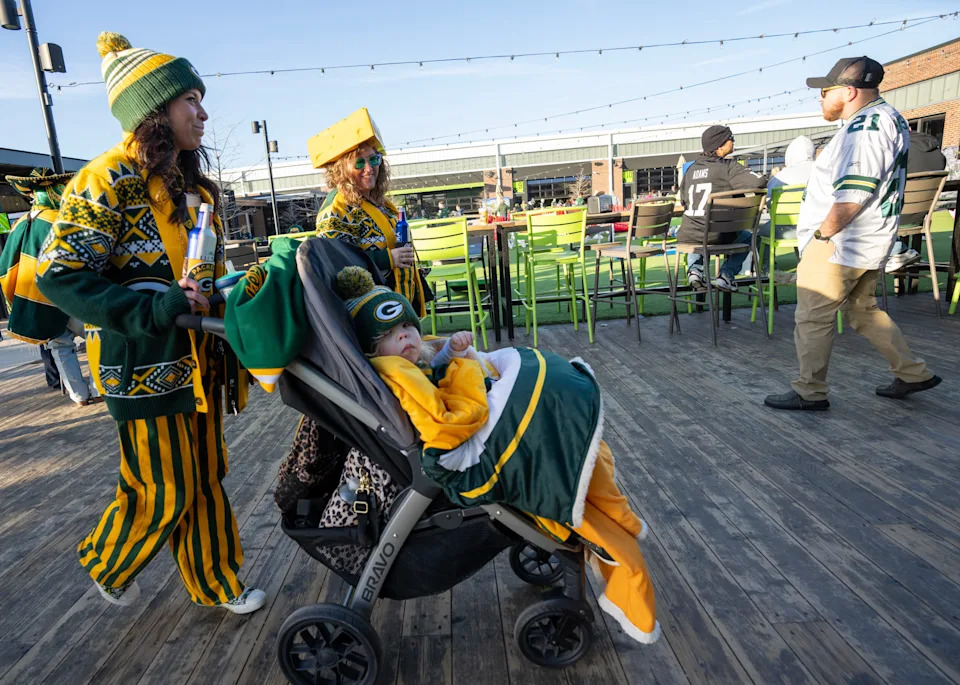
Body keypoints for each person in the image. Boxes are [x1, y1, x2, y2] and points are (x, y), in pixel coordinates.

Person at [37, 32, 265, 612]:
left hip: (201, 364)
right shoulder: (104, 180)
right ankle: (108, 561)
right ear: (154, 112)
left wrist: (232, 291)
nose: (204, 112)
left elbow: (200, 276)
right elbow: (59, 276)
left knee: (207, 477)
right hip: (141, 364)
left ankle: (217, 583)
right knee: (163, 487)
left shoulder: (195, 189)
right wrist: (154, 309)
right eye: (191, 98)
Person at [335, 265, 661, 645]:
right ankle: (612, 519)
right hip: (469, 446)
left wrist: (454, 352)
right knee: (554, 427)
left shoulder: (415, 359)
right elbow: (446, 420)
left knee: (560, 428)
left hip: (476, 405)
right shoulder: (395, 372)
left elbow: (437, 366)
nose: (404, 336)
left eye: (406, 327)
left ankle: (606, 505)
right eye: (389, 336)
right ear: (373, 350)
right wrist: (465, 368)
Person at [275, 109, 433, 517]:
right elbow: (336, 278)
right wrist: (384, 258)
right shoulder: (337, 212)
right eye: (358, 161)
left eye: (373, 158)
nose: (368, 168)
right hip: (374, 333)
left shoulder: (380, 203)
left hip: (397, 321)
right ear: (341, 167)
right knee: (369, 420)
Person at [764, 56, 941, 411]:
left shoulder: (866, 127)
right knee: (863, 310)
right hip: (868, 239)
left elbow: (853, 194)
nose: (820, 98)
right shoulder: (888, 118)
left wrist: (821, 237)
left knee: (813, 316)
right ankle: (912, 372)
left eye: (825, 91)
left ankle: (809, 391)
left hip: (841, 241)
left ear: (848, 91)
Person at [1, 167, 101, 405]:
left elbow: (5, 268)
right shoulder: (60, 221)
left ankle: (79, 396)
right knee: (98, 336)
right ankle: (99, 388)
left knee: (61, 347)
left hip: (38, 298)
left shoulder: (18, 226)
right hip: (69, 294)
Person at [677, 125, 768, 292]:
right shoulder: (728, 167)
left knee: (698, 228)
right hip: (719, 235)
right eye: (730, 138)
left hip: (689, 235)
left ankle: (695, 271)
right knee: (751, 237)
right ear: (720, 144)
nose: (733, 141)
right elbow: (758, 182)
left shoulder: (690, 170)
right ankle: (726, 275)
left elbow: (684, 201)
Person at [884, 130, 948, 274]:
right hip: (921, 216)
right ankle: (898, 250)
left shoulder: (897, 150)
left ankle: (898, 248)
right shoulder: (939, 154)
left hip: (895, 217)